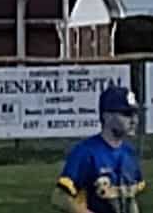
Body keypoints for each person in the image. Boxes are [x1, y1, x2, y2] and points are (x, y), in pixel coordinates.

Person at [53, 85, 144, 213]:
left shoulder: (129, 153)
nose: (134, 120)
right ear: (107, 116)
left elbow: (131, 199)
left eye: (136, 114)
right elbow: (59, 197)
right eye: (127, 114)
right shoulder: (85, 152)